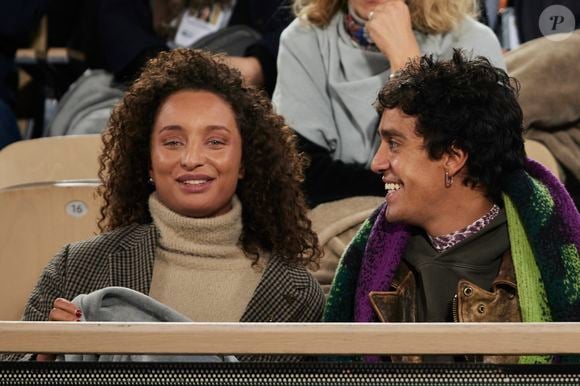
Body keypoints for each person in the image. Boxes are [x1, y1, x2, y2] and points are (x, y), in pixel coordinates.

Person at [4, 48, 324, 361]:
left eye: (215, 142)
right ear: (148, 162)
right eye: (173, 142)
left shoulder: (296, 292)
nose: (191, 159)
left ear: (244, 161)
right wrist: (43, 356)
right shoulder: (76, 267)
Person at [324, 50, 580, 363]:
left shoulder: (545, 255)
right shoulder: (370, 261)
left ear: (452, 157)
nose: (376, 163)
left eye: (393, 143)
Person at [273, 0, 505, 206]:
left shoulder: (470, 39)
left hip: (446, 220)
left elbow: (481, 167)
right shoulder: (302, 38)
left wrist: (407, 64)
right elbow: (303, 175)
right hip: (340, 218)